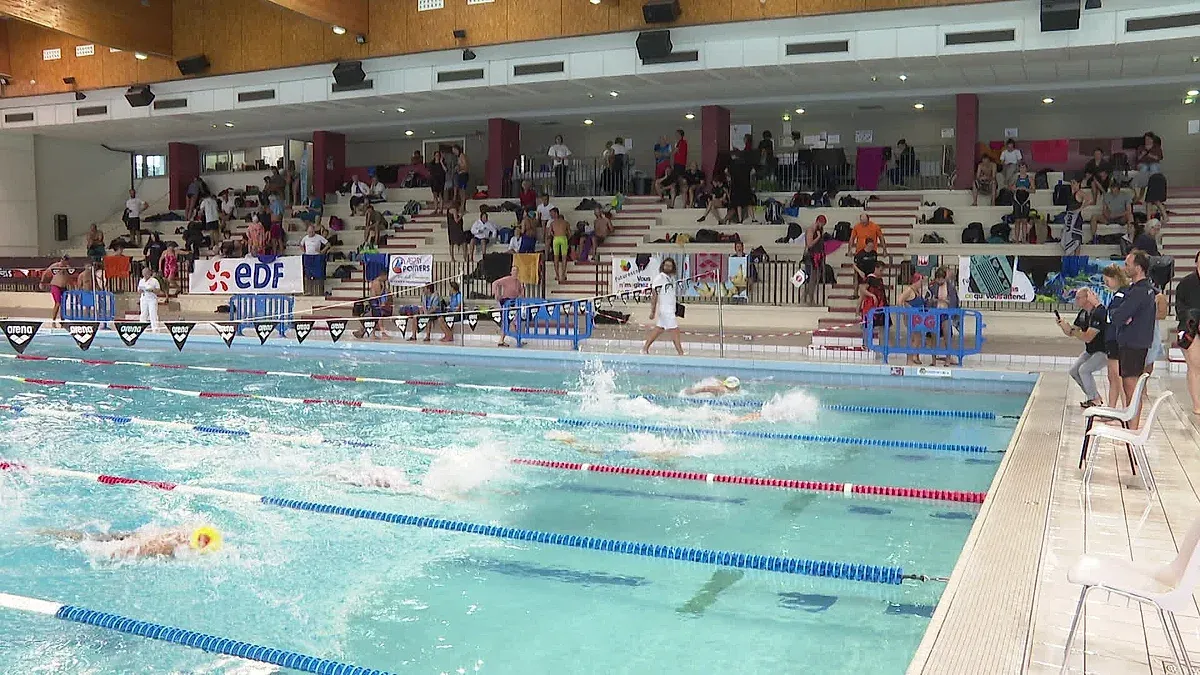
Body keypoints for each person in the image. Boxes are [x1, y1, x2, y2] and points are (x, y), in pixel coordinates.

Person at [1108, 251, 1157, 430]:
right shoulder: (1143, 289)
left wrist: (1120, 315)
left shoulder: (1139, 291)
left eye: (1128, 265)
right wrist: (1120, 315)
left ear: (1138, 268)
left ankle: (1132, 429)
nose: (1125, 268)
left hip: (1133, 344)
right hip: (1136, 343)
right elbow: (1118, 314)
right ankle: (1132, 428)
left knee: (1131, 389)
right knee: (1132, 389)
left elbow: (1118, 316)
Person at [41, 524, 221, 560]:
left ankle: (46, 532)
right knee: (87, 542)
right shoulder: (178, 542)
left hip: (139, 538)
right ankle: (45, 532)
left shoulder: (181, 538)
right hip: (136, 542)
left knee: (87, 538)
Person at [1059, 288, 1109, 408]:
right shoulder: (1083, 313)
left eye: (1078, 298)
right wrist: (1063, 326)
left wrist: (1073, 331)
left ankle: (1094, 399)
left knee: (1084, 370)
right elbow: (1072, 332)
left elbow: (1087, 337)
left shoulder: (1098, 314)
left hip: (1104, 351)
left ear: (1087, 298)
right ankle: (1094, 397)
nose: (1075, 300)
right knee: (1074, 371)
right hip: (1091, 350)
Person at [1100, 264, 1129, 410]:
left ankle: (1125, 409)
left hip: (1116, 338)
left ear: (1116, 278)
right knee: (1112, 377)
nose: (1106, 284)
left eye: (1107, 281)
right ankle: (1112, 408)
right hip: (1113, 338)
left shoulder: (1121, 295)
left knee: (1117, 377)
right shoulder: (1120, 294)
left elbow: (1115, 317)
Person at [642, 257, 684, 356]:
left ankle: (645, 348)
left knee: (659, 329)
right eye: (666, 265)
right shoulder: (659, 278)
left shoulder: (671, 279)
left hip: (670, 309)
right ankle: (680, 352)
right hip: (665, 310)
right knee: (675, 330)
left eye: (670, 266)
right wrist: (652, 311)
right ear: (663, 266)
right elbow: (654, 295)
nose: (668, 267)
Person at [1175, 251, 1200, 415]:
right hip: (1190, 328)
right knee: (1195, 366)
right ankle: (1197, 404)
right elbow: (1180, 309)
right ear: (1196, 262)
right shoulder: (1186, 283)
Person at [896, 273, 929, 365]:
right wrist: (904, 312)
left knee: (917, 337)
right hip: (912, 317)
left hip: (918, 318)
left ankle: (916, 356)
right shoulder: (909, 290)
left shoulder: (916, 291)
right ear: (916, 281)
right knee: (916, 337)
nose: (921, 283)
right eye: (920, 281)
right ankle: (912, 356)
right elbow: (899, 300)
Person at [491, 265, 523, 347]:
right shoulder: (507, 279)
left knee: (512, 321)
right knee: (507, 321)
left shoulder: (518, 282)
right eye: (513, 270)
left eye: (516, 270)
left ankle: (517, 339)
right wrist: (495, 293)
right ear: (511, 272)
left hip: (514, 303)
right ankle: (502, 340)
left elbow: (520, 293)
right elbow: (495, 283)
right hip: (506, 302)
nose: (515, 272)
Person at [355, 272, 392, 340]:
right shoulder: (377, 282)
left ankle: (364, 331)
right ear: (383, 276)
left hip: (375, 301)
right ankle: (382, 333)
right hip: (374, 302)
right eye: (386, 277)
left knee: (374, 318)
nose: (387, 279)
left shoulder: (380, 282)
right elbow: (378, 294)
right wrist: (384, 289)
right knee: (378, 318)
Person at [1132, 132, 1163, 203]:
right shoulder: (1141, 147)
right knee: (1144, 168)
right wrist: (1142, 154)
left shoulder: (1157, 147)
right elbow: (1138, 158)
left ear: (1152, 140)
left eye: (1149, 139)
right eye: (1146, 139)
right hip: (1143, 164)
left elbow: (1158, 158)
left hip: (1154, 163)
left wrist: (1149, 155)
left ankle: (1154, 191)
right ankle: (1141, 193)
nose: (1147, 141)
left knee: (1153, 167)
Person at [41, 255, 72, 328]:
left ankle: (62, 321)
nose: (63, 262)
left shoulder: (68, 268)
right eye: (63, 260)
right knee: (58, 303)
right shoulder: (55, 266)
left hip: (64, 287)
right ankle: (53, 321)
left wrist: (72, 286)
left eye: (65, 261)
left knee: (63, 305)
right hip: (55, 286)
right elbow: (46, 273)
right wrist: (42, 282)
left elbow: (69, 278)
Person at [299, 224, 330, 296]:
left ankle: (319, 291)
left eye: (312, 231)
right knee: (308, 275)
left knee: (319, 275)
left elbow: (328, 244)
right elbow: (300, 244)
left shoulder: (319, 237)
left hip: (317, 257)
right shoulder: (305, 238)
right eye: (309, 232)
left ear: (314, 231)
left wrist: (322, 251)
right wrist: (303, 250)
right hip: (308, 257)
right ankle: (309, 291)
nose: (310, 233)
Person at [137, 265, 162, 331]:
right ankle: (142, 328)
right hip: (144, 298)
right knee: (143, 314)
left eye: (146, 274)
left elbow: (158, 291)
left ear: (149, 273)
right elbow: (138, 290)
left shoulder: (154, 281)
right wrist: (141, 290)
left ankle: (155, 328)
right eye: (144, 274)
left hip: (152, 299)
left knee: (153, 313)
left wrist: (152, 290)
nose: (145, 275)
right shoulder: (141, 281)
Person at [548, 207, 570, 283]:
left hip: (556, 239)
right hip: (563, 238)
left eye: (552, 214)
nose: (551, 215)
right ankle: (563, 275)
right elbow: (569, 233)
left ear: (556, 213)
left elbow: (549, 233)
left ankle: (557, 275)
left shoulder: (552, 223)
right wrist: (566, 238)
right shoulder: (565, 222)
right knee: (564, 257)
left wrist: (554, 235)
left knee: (556, 257)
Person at [427, 151, 447, 215]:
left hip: (440, 180)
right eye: (436, 155)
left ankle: (441, 209)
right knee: (435, 195)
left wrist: (441, 162)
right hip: (434, 180)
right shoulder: (431, 164)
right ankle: (435, 209)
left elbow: (445, 170)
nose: (437, 157)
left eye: (438, 155)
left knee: (441, 195)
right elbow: (429, 172)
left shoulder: (442, 163)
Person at [671, 129, 689, 200]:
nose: (676, 136)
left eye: (677, 134)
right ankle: (677, 193)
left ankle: (682, 194)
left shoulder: (682, 143)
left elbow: (676, 152)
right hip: (677, 164)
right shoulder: (678, 143)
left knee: (680, 179)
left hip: (680, 164)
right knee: (676, 180)